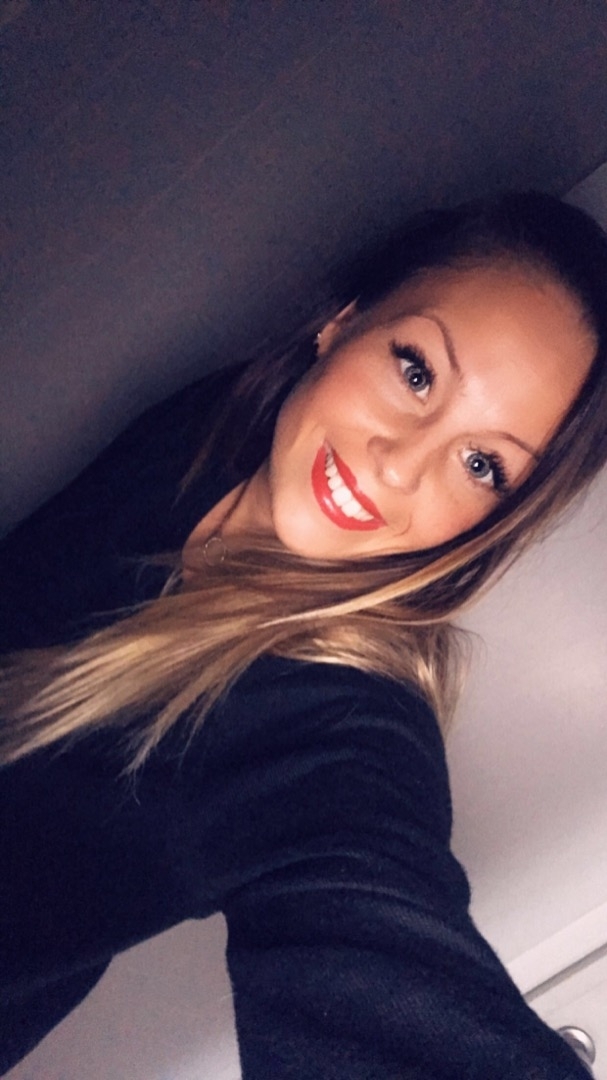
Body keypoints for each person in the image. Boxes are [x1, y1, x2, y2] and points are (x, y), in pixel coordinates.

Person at [0, 190, 604, 1078]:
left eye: (482, 464)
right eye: (415, 372)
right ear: (342, 324)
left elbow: (371, 917)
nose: (397, 464)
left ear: (491, 525)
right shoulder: (216, 431)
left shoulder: (339, 732)